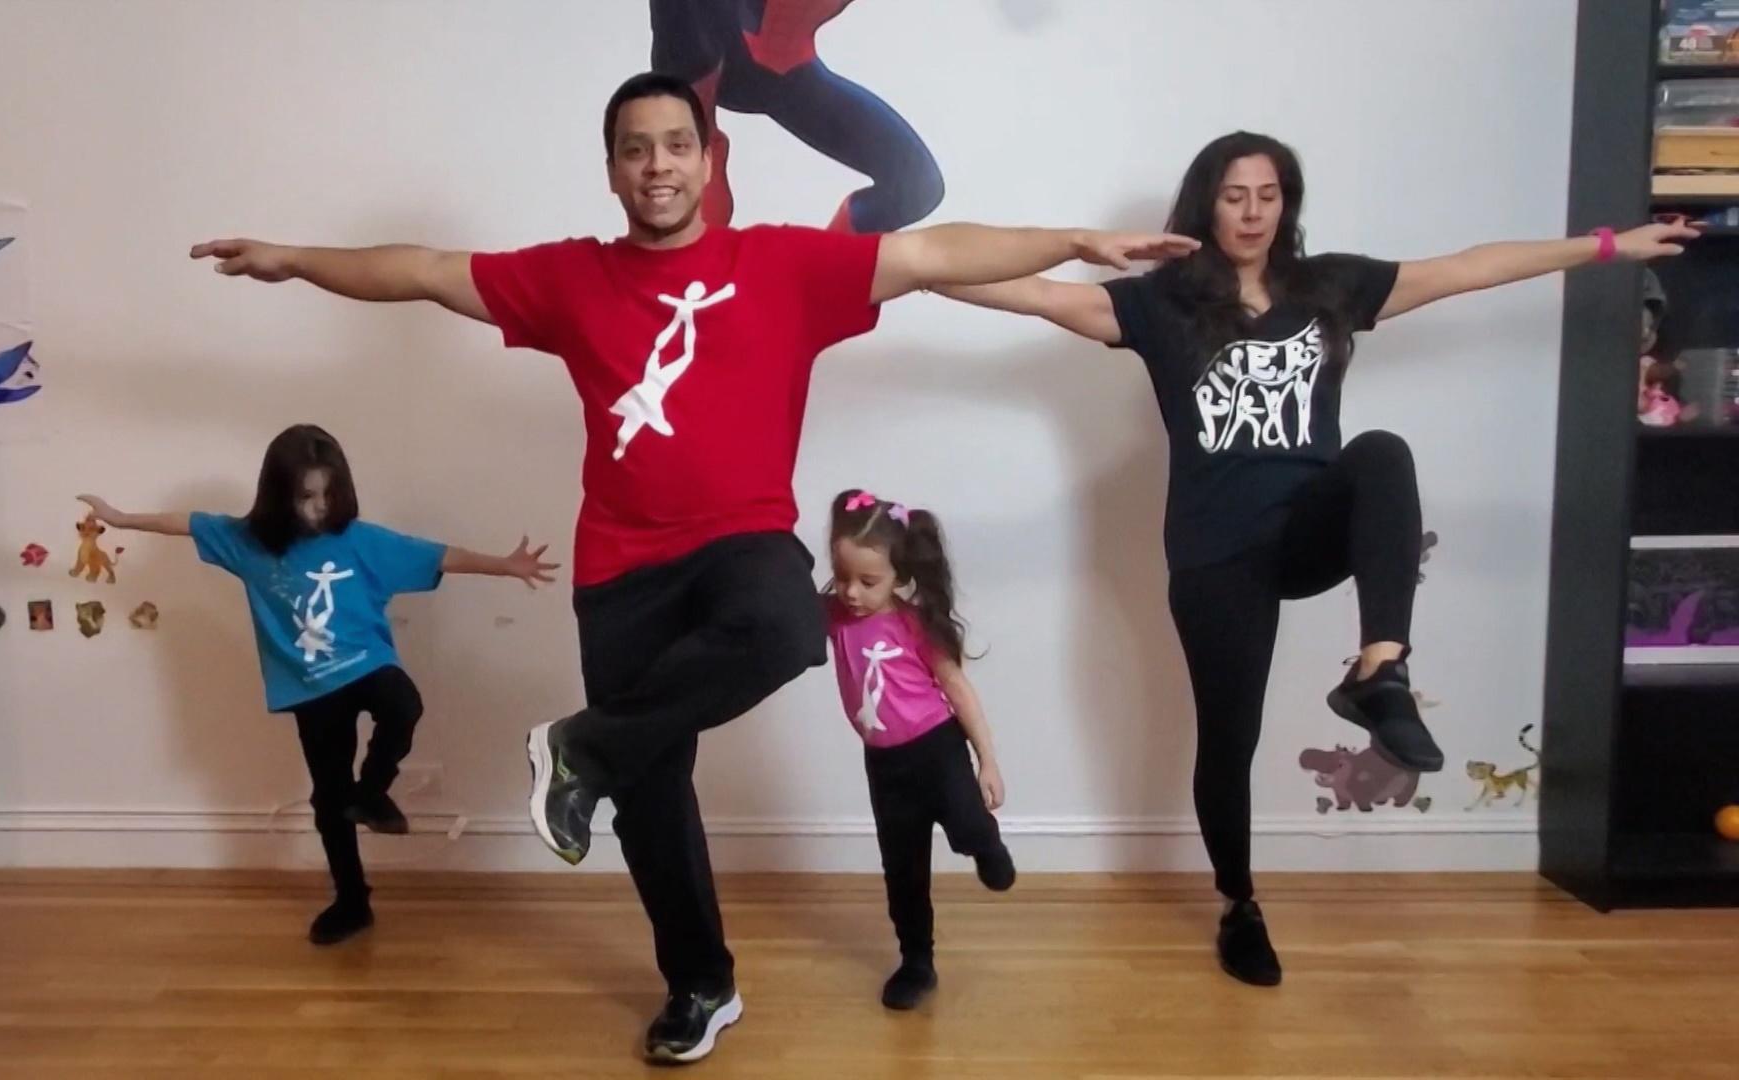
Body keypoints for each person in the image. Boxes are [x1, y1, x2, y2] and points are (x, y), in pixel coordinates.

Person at [188, 73, 1194, 1063]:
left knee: (786, 624)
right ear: (613, 171)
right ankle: (700, 984)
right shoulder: (572, 278)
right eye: (636, 149)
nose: (657, 165)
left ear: (710, 160)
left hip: (737, 543)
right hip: (618, 569)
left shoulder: (785, 264)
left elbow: (932, 252)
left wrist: (1077, 241)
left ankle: (580, 748)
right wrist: (293, 259)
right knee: (652, 794)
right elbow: (423, 269)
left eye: (677, 144)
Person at [937, 130, 1697, 987]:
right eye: (1235, 196)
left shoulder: (1329, 287)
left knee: (1380, 453)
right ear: (1206, 204)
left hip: (1307, 530)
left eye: (1268, 195)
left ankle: (1380, 670)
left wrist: (1608, 247)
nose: (1252, 212)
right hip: (1216, 552)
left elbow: (1467, 269)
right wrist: (894, 266)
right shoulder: (1159, 304)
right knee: (1229, 740)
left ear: (1286, 204)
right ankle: (1240, 903)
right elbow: (1030, 294)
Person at [76, 424, 557, 946]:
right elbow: (187, 523)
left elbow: (438, 555)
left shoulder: (360, 541)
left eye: (328, 494)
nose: (319, 507)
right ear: (278, 494)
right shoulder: (248, 542)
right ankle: (352, 900)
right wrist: (121, 518)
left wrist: (505, 566)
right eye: (306, 497)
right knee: (329, 797)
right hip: (308, 685)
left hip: (365, 662)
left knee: (403, 703)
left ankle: (372, 791)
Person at [824, 489, 1012, 1011]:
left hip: (938, 749)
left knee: (967, 826)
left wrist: (987, 760)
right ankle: (916, 961)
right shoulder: (833, 616)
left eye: (868, 581)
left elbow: (957, 689)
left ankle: (985, 843)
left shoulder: (912, 622)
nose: (852, 592)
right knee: (902, 870)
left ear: (898, 576)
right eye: (842, 577)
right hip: (885, 765)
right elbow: (785, 614)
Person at [649, 0, 943, 232]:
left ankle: (827, 270)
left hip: (783, 69)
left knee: (918, 185)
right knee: (691, 146)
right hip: (716, 54)